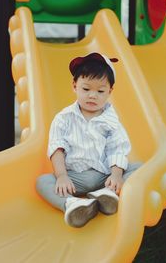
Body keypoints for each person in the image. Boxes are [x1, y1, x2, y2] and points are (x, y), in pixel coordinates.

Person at [36, 52, 141, 228]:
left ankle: (107, 194)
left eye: (100, 91)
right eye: (86, 89)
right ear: (74, 86)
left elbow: (118, 148)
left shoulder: (111, 120)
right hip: (74, 179)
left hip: (104, 176)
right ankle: (72, 204)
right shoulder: (64, 118)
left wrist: (115, 176)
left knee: (139, 168)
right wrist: (62, 176)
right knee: (42, 182)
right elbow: (57, 148)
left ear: (110, 91)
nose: (93, 95)